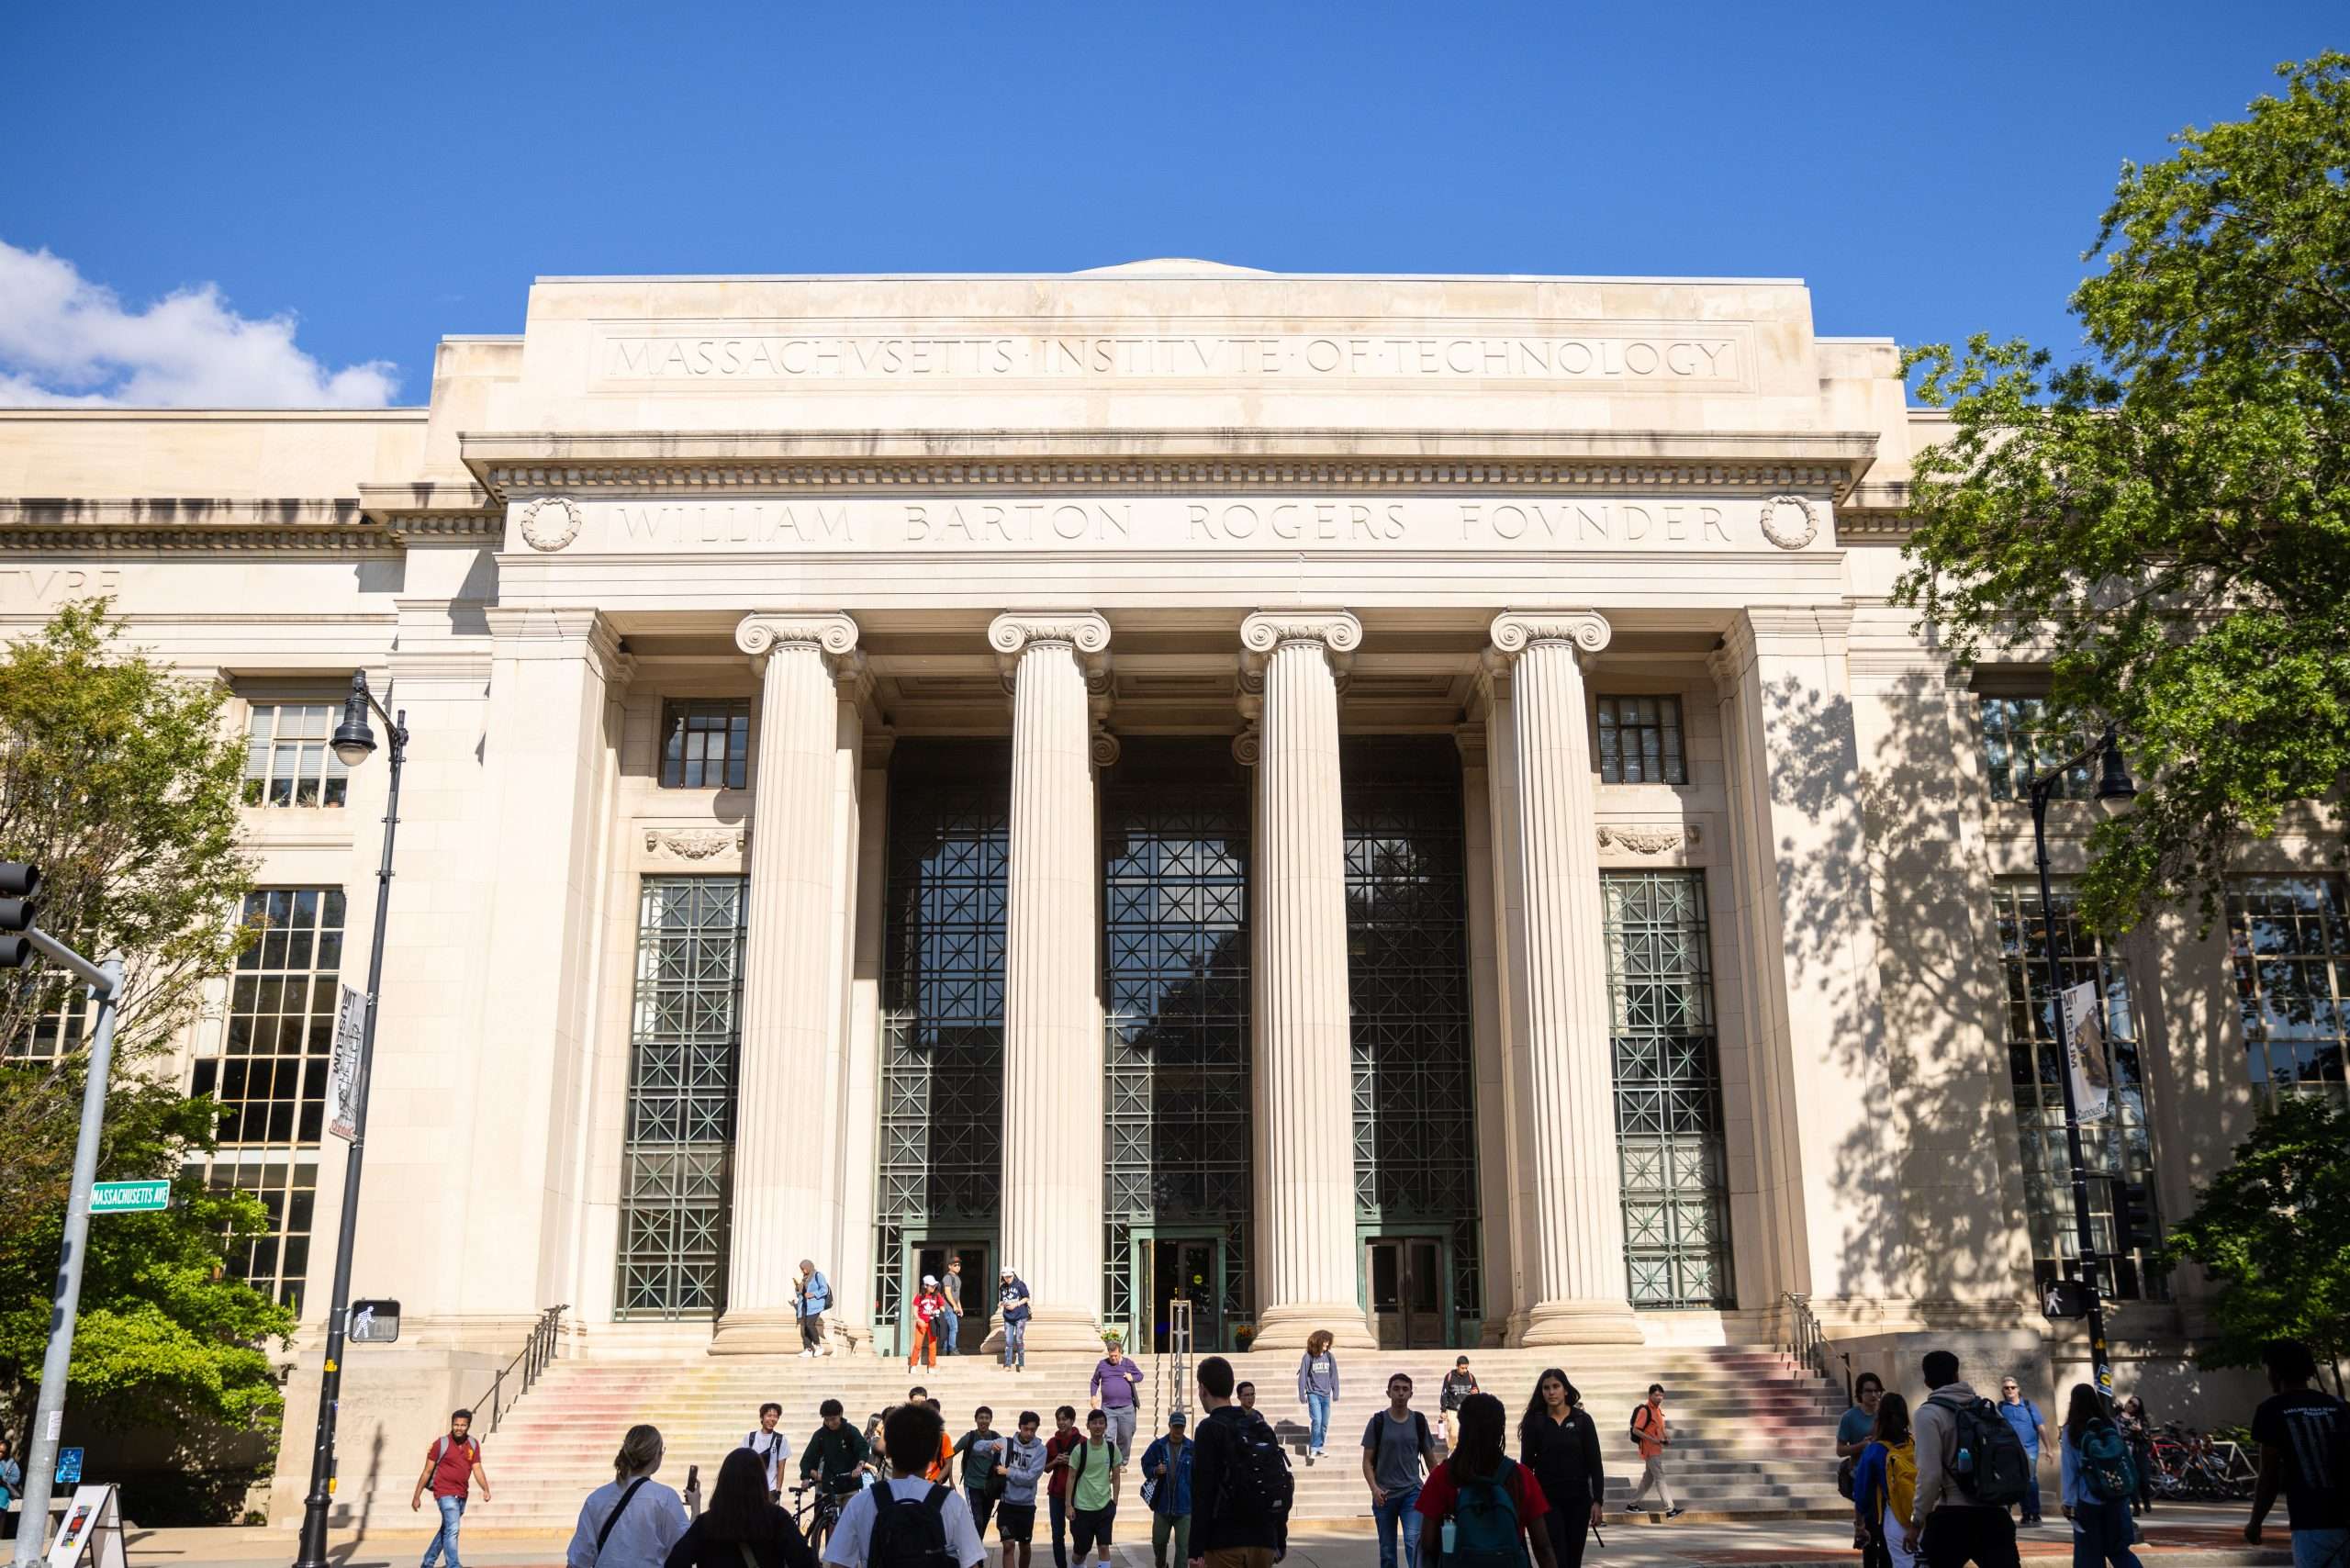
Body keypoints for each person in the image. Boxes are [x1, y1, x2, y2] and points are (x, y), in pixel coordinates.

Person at [821, 1401, 987, 1568]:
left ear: (889, 1450)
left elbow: (839, 1564)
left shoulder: (862, 1502)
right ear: (934, 1452)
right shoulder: (952, 1503)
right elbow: (972, 1564)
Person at [1413, 1392, 1561, 1568]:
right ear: (1500, 1429)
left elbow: (1428, 1543)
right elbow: (1542, 1545)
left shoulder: (1443, 1475)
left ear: (1463, 1426)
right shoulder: (1521, 1476)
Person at [1905, 1349, 2021, 1568]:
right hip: (1995, 1513)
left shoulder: (1928, 1414)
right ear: (1957, 1374)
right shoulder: (1987, 1409)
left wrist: (1917, 1521)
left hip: (1953, 1516)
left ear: (1927, 1380)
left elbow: (1929, 1475)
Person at [2245, 1338, 2347, 1568]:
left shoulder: (2271, 1410)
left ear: (2276, 1372)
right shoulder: (2338, 1405)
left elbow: (2269, 1475)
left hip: (2311, 1522)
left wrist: (2255, 1522)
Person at [1190, 1353, 1289, 1568]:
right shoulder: (1258, 1426)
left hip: (1225, 1541)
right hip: (1264, 1540)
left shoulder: (1209, 1429)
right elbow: (1278, 1480)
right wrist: (1279, 1539)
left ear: (1202, 1388)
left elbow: (1202, 1491)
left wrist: (1195, 1550)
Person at [665, 1447, 817, 1568]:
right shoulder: (777, 1518)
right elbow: (804, 1561)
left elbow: (675, 1561)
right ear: (760, 1481)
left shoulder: (707, 1523)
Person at [1518, 1369, 1605, 1568]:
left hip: (1579, 1501)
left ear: (1566, 1390)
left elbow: (1595, 1464)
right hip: (1547, 1502)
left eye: (1556, 1387)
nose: (1551, 1392)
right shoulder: (1535, 1423)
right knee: (1556, 1559)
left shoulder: (1583, 1420)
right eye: (1546, 1388)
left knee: (1574, 1560)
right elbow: (1526, 1466)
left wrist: (1597, 1501)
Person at [568, 1424, 686, 1568]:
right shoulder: (665, 1498)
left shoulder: (596, 1499)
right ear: (656, 1456)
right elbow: (684, 1549)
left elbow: (578, 1560)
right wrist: (696, 1508)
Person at [2056, 1383, 2141, 1568]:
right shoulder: (2110, 1424)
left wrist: (2068, 1501)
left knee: (2088, 1554)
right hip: (2115, 1496)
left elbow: (2070, 1469)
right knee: (2118, 1550)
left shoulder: (2072, 1429)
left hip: (2088, 1498)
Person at [1364, 1373, 1438, 1568]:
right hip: (1384, 1496)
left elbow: (1431, 1461)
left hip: (1412, 1494)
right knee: (1387, 1551)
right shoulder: (1377, 1422)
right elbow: (1366, 1462)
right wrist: (1374, 1489)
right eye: (1396, 1389)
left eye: (1405, 1389)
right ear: (1388, 1392)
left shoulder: (1418, 1421)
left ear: (1411, 1394)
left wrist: (1440, 1490)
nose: (1400, 1393)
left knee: (1414, 1544)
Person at [415, 1407, 494, 1568]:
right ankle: (453, 1565)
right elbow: (427, 1471)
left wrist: (485, 1488)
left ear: (468, 1426)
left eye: (463, 1425)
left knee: (447, 1529)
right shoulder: (440, 1444)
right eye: (456, 1424)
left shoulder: (473, 1444)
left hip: (461, 1494)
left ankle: (427, 1562)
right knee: (453, 1529)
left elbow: (477, 1468)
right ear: (452, 1424)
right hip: (444, 1493)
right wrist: (417, 1495)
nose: (459, 1428)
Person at [1853, 1394, 1919, 1568]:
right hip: (1924, 1513)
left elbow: (1861, 1495)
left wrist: (1860, 1526)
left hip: (1896, 1517)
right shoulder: (1915, 1443)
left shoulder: (1874, 1451)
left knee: (1903, 1563)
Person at [1065, 1409, 1122, 1568]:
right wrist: (1068, 1505)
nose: (1098, 1426)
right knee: (1081, 1552)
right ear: (1088, 1426)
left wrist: (1114, 1502)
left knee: (1103, 1546)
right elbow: (1071, 1478)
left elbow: (1116, 1477)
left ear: (1106, 1426)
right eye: (1094, 1423)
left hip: (1104, 1507)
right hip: (1082, 1508)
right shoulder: (1080, 1450)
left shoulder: (1112, 1449)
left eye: (1101, 1423)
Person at [1141, 1410, 1193, 1568]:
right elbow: (1145, 1463)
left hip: (1184, 1506)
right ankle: (1161, 1563)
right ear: (1169, 1426)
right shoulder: (1158, 1446)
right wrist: (1155, 1470)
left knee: (1183, 1548)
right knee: (1158, 1542)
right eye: (1175, 1426)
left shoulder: (1192, 1448)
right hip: (1162, 1505)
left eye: (1181, 1427)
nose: (1178, 1430)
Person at [1000, 1412, 1051, 1568]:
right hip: (1006, 1504)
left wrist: (1008, 1472)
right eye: (1026, 1429)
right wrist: (989, 1445)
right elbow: (979, 1446)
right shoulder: (1007, 1443)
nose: (1029, 1433)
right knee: (1008, 1545)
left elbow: (1030, 1478)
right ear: (1019, 1427)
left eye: (1033, 1430)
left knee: (1025, 1546)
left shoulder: (1041, 1450)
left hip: (1026, 1506)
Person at [1997, 1377, 2051, 1527]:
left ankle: (2035, 1512)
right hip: (2010, 1450)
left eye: (2013, 1387)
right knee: (2017, 1482)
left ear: (2018, 1389)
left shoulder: (2029, 1406)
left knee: (2031, 1480)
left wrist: (2049, 1449)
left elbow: (2041, 1428)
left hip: (2030, 1449)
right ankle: (2025, 1512)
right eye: (2007, 1388)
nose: (2010, 1390)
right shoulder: (2000, 1408)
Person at [952, 1407, 1011, 1542]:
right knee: (976, 1521)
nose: (983, 1420)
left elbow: (1007, 1457)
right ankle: (976, 1557)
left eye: (986, 1418)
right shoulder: (969, 1437)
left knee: (983, 1521)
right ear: (976, 1420)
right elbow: (950, 1453)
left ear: (991, 1420)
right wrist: (949, 1478)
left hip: (990, 1487)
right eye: (981, 1417)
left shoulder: (997, 1438)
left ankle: (977, 1552)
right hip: (972, 1485)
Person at [802, 1399, 875, 1502]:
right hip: (830, 1486)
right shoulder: (820, 1435)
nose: (830, 1423)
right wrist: (806, 1477)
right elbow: (808, 1458)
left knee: (851, 1515)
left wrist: (859, 1466)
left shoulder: (850, 1431)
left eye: (833, 1419)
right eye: (826, 1420)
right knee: (829, 1515)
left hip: (850, 1483)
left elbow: (862, 1448)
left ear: (840, 1414)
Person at [1625, 1384, 1680, 1518]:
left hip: (1657, 1448)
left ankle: (1632, 1505)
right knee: (1660, 1477)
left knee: (1648, 1479)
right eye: (1656, 1395)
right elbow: (1636, 1430)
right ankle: (1670, 1509)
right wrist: (1652, 1440)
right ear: (1650, 1396)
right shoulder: (1645, 1410)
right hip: (1650, 1449)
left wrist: (1665, 1438)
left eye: (1661, 1395)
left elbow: (1660, 1428)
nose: (1659, 1398)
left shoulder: (1658, 1411)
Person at [1044, 1406, 1083, 1568]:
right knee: (1057, 1534)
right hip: (1056, 1494)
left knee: (1079, 1533)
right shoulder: (1052, 1443)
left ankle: (1078, 1563)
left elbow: (1089, 1467)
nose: (1061, 1422)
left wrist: (1073, 1463)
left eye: (1065, 1419)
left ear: (1072, 1421)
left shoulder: (1083, 1442)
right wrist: (1056, 1461)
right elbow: (1045, 1468)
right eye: (1059, 1419)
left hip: (1078, 1494)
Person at [1091, 1334, 1144, 1457]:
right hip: (1108, 1408)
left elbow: (1140, 1376)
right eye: (1111, 1356)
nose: (1113, 1358)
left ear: (1120, 1353)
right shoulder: (1102, 1364)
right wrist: (1093, 1396)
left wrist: (1132, 1377)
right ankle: (1109, 1462)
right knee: (1108, 1436)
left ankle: (1121, 1462)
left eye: (1116, 1355)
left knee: (1125, 1436)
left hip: (1126, 1408)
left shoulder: (1128, 1363)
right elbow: (1094, 1381)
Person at [1296, 1330, 1341, 1462]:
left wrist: (1336, 1391)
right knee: (1317, 1420)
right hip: (1313, 1393)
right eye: (1325, 1340)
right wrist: (1301, 1394)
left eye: (1328, 1341)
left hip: (1326, 1394)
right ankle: (1314, 1448)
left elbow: (1334, 1375)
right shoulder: (1308, 1357)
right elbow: (1303, 1376)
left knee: (1324, 1423)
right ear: (1318, 1341)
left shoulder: (1329, 1356)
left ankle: (1319, 1446)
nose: (1327, 1343)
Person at [2114, 1398, 2154, 1518]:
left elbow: (2147, 1436)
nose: (2130, 1405)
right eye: (2130, 1402)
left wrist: (2140, 1431)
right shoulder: (2117, 1416)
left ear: (2138, 1408)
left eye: (2134, 1405)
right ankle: (2136, 1507)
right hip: (2124, 1451)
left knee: (2144, 1479)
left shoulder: (2140, 1419)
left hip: (2138, 1451)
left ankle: (2146, 1500)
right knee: (2131, 1480)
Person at [747, 1402, 791, 1501]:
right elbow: (742, 1463)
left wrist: (778, 1490)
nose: (772, 1419)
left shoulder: (781, 1439)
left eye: (776, 1416)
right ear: (762, 1418)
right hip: (751, 1488)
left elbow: (781, 1467)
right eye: (769, 1415)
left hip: (771, 1490)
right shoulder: (750, 1438)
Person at [797, 1260, 835, 1358]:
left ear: (809, 1267)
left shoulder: (818, 1275)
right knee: (805, 1326)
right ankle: (808, 1349)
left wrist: (813, 1294)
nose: (803, 1270)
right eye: (802, 1269)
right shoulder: (804, 1279)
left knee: (810, 1324)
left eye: (804, 1268)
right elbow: (802, 1294)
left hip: (815, 1305)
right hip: (805, 1306)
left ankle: (818, 1346)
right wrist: (798, 1289)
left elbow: (824, 1289)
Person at [999, 1268, 1033, 1372]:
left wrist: (1016, 1304)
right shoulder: (1002, 1287)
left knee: (1019, 1340)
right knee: (1008, 1341)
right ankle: (1007, 1364)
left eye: (1009, 1276)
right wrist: (1001, 1304)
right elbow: (1002, 1299)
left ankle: (1021, 1364)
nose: (1008, 1279)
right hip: (1008, 1317)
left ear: (1013, 1275)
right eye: (1006, 1277)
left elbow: (1027, 1297)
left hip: (1020, 1315)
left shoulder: (1020, 1284)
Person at [1441, 1358, 1480, 1448]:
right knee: (1454, 1434)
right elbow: (1444, 1393)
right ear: (1457, 1366)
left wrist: (1476, 1392)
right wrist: (1443, 1410)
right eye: (1462, 1368)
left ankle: (1462, 1453)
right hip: (1452, 1410)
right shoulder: (1449, 1376)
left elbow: (1476, 1390)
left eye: (1466, 1368)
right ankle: (1452, 1450)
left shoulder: (1470, 1377)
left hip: (1467, 1411)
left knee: (1467, 1434)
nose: (1465, 1370)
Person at [911, 1279, 946, 1371]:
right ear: (926, 1286)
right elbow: (915, 1311)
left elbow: (942, 1308)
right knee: (918, 1345)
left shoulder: (937, 1295)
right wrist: (918, 1319)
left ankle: (931, 1366)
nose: (934, 1287)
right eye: (932, 1286)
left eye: (935, 1286)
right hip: (921, 1323)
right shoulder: (919, 1296)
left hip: (933, 1323)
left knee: (932, 1345)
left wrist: (938, 1311)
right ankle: (913, 1365)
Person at [940, 1256, 966, 1357]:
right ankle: (953, 1349)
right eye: (955, 1265)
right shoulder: (948, 1277)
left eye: (959, 1265)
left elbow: (956, 1295)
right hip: (948, 1308)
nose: (958, 1267)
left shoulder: (957, 1278)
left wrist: (959, 1307)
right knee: (954, 1328)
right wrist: (954, 1306)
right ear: (949, 1266)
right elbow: (947, 1293)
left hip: (953, 1307)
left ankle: (945, 1350)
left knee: (950, 1329)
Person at [0, 1436, 22, 1542]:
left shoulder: (10, 1464)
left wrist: (4, 1479)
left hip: (1, 1496)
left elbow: (16, 1478)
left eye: (2, 1452)